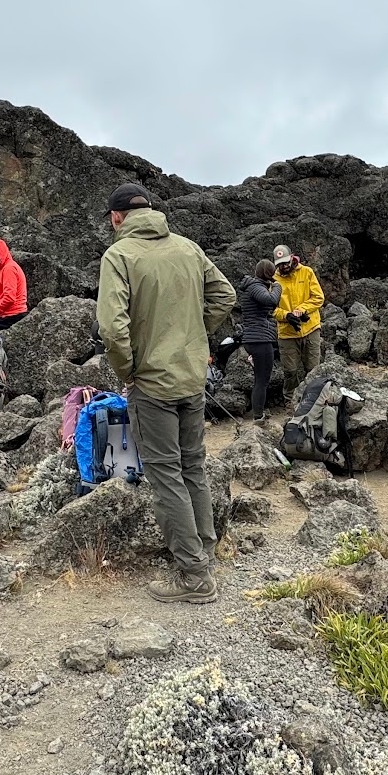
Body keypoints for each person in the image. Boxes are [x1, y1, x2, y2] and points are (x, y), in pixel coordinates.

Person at [96, 182, 236, 604]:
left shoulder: (118, 256)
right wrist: (195, 339)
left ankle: (193, 576)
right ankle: (204, 550)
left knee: (165, 475)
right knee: (192, 466)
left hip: (152, 384)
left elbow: (111, 328)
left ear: (117, 217)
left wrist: (130, 370)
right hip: (192, 380)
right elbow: (225, 295)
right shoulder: (188, 248)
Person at [271, 244, 325, 392]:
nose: (284, 266)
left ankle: (314, 400)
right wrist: (286, 315)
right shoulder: (273, 280)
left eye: (286, 262)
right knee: (290, 372)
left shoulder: (307, 272)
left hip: (311, 329)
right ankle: (291, 402)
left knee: (313, 370)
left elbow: (318, 297)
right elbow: (270, 308)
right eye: (280, 264)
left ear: (292, 257)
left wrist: (302, 310)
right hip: (287, 334)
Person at [236, 259, 281, 421]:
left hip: (252, 339)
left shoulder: (252, 286)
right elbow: (271, 301)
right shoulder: (256, 287)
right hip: (260, 340)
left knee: (260, 379)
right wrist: (277, 287)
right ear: (269, 273)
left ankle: (258, 412)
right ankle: (258, 417)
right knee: (262, 379)